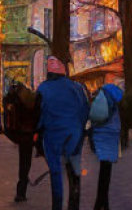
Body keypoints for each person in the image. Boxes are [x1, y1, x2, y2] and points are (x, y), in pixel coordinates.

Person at [37, 56, 89, 210]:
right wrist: (79, 128)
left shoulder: (43, 88)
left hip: (52, 136)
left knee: (56, 172)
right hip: (74, 134)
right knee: (74, 170)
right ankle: (74, 205)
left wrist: (40, 130)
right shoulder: (76, 87)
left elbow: (39, 113)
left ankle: (57, 205)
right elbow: (85, 110)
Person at [2, 79, 41, 203]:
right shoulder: (31, 97)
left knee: (24, 163)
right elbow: (37, 114)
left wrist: (13, 136)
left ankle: (21, 190)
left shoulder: (10, 98)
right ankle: (22, 190)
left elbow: (7, 121)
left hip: (20, 134)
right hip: (31, 134)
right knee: (27, 162)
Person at [88, 74, 122, 210]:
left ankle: (103, 203)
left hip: (99, 134)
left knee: (104, 170)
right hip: (110, 135)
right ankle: (99, 204)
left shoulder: (100, 95)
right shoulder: (114, 97)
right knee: (106, 173)